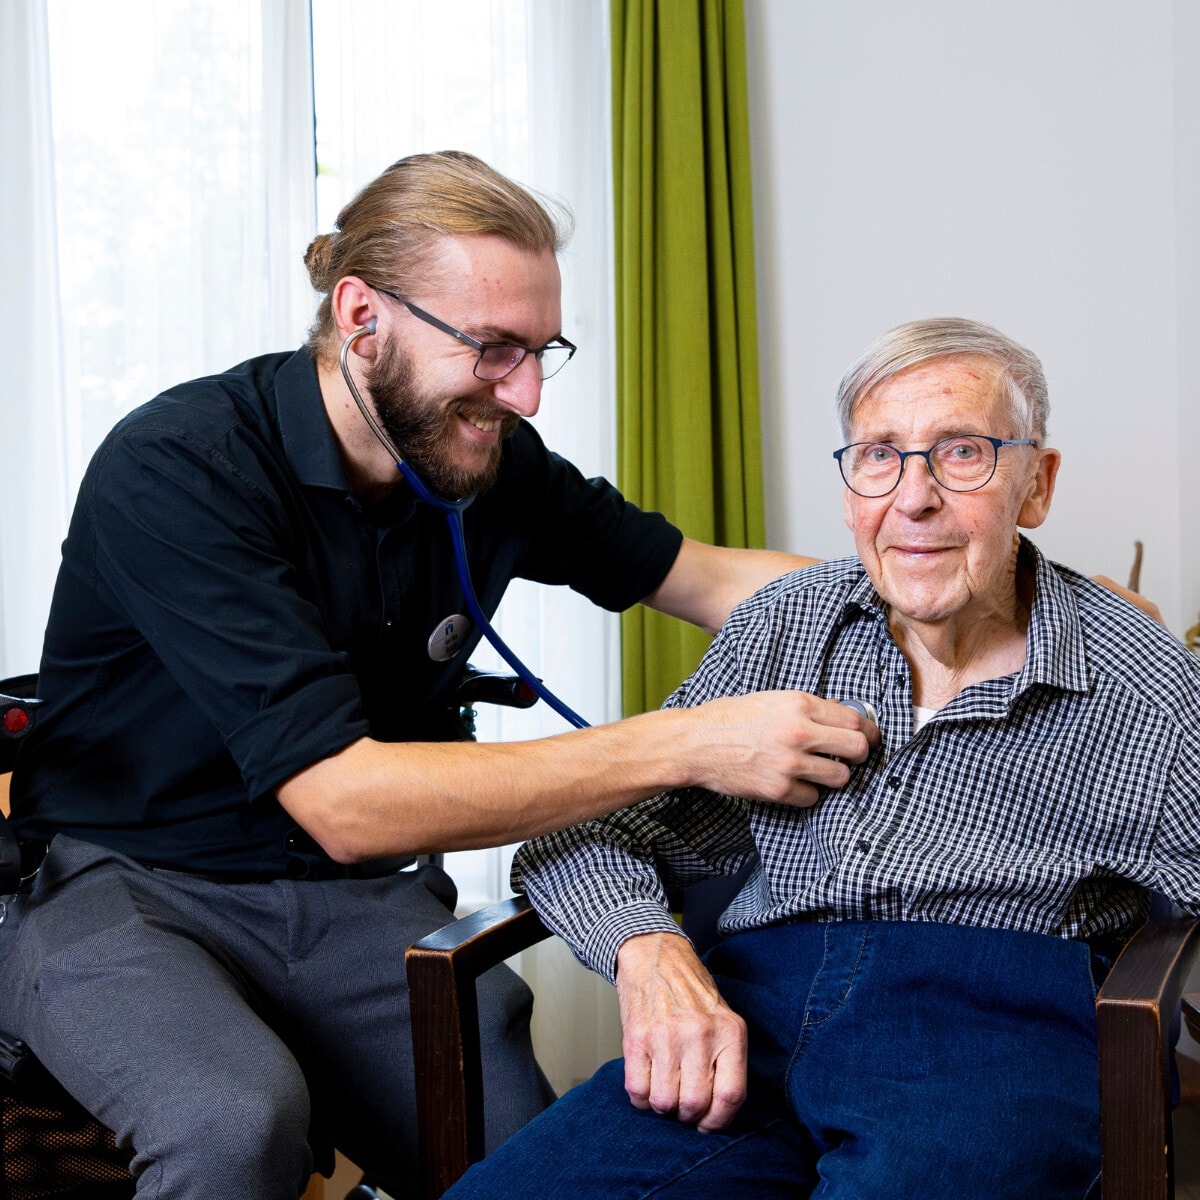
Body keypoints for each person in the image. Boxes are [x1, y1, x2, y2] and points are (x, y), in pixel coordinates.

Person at [0, 152, 881, 1200]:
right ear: (362, 316)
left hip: (350, 904)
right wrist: (691, 742)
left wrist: (963, 584)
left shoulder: (485, 460)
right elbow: (347, 803)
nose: (527, 394)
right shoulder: (180, 466)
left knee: (533, 1164)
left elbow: (711, 578)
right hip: (127, 885)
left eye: (543, 351)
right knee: (231, 1123)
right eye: (494, 349)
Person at [444, 317, 1200, 1200]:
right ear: (850, 488)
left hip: (996, 1036)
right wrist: (646, 949)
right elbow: (588, 833)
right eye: (879, 455)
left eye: (962, 453)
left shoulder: (1142, 682)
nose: (913, 498)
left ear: (1037, 485)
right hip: (754, 1019)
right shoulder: (785, 626)